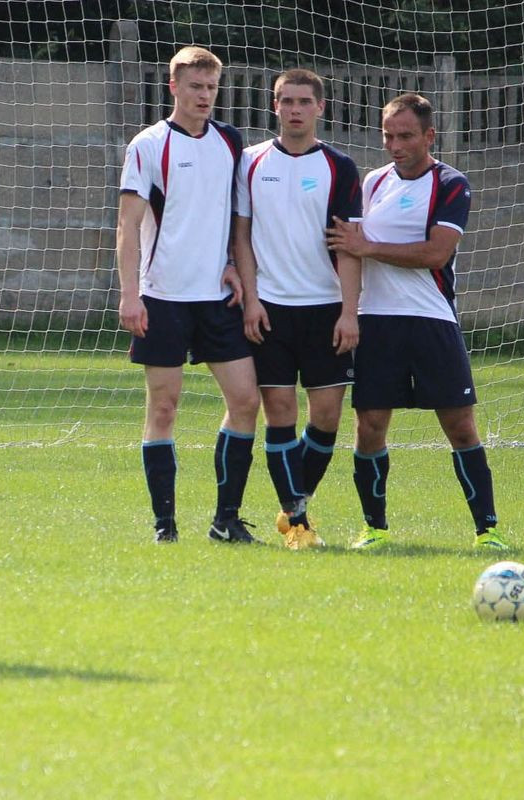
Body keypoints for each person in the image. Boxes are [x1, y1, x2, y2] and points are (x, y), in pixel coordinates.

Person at [325, 92, 506, 551]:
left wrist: (368, 247)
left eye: (405, 136)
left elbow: (436, 253)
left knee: (460, 426)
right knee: (369, 425)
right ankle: (374, 529)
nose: (395, 145)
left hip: (430, 318)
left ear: (429, 136)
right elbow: (348, 246)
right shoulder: (373, 183)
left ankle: (487, 531)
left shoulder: (451, 183)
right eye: (388, 136)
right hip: (376, 320)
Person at [116, 46, 260, 545]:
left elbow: (233, 217)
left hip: (216, 298)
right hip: (162, 297)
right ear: (173, 87)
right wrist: (130, 294)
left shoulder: (230, 142)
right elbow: (128, 226)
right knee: (164, 407)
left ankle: (226, 520)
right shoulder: (148, 145)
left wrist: (231, 264)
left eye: (211, 87)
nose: (204, 96)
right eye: (195, 86)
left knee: (246, 400)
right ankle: (166, 525)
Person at [232, 68, 362, 550]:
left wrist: (350, 312)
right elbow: (241, 236)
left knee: (327, 417)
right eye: (286, 101)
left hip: (326, 308)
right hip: (270, 308)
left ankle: (291, 505)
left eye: (304, 101)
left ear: (320, 108)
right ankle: (301, 525)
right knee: (280, 412)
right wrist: (251, 299)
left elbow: (348, 245)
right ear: (274, 106)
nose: (294, 110)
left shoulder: (339, 167)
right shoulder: (250, 162)